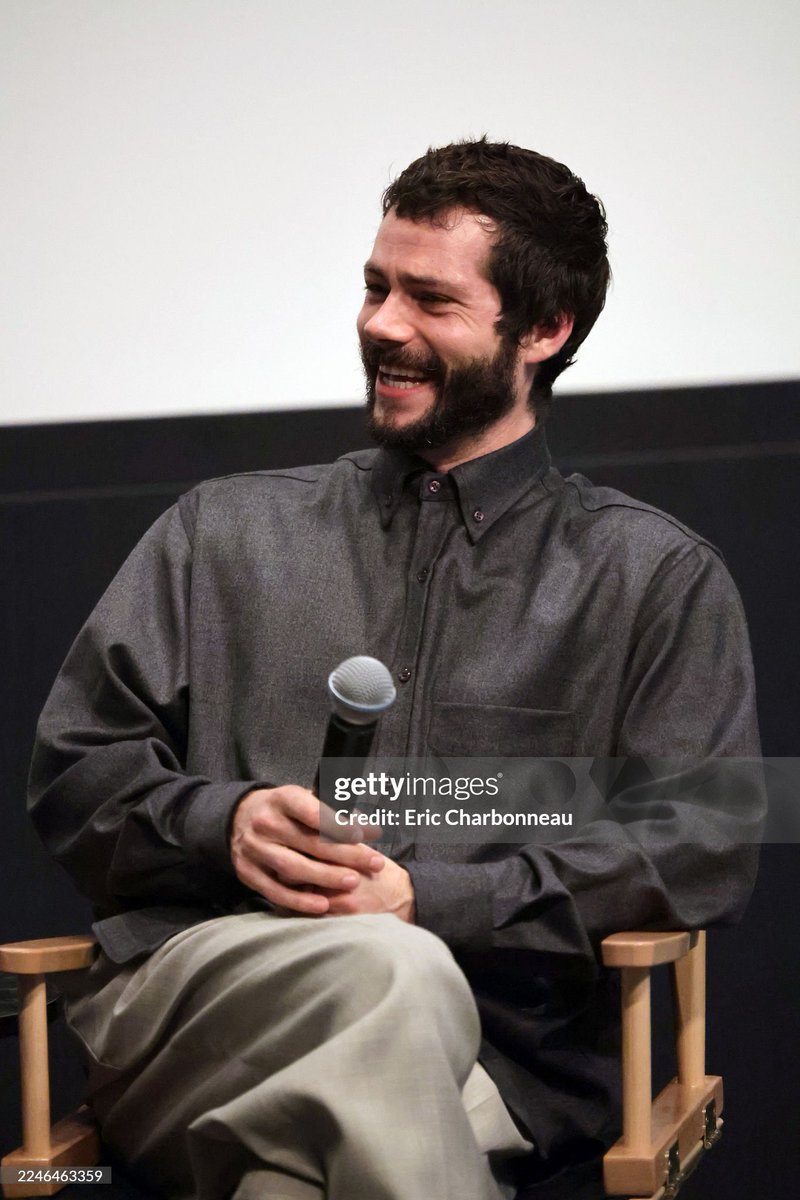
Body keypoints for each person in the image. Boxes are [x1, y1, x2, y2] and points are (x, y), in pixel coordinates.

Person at [29, 139, 762, 1200]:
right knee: (391, 970)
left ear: (543, 332)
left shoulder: (650, 577)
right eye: (374, 287)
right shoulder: (222, 532)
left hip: (499, 1062)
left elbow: (700, 841)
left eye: (429, 299)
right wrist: (219, 825)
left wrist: (433, 898)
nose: (380, 325)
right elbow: (74, 770)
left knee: (293, 1175)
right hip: (201, 1010)